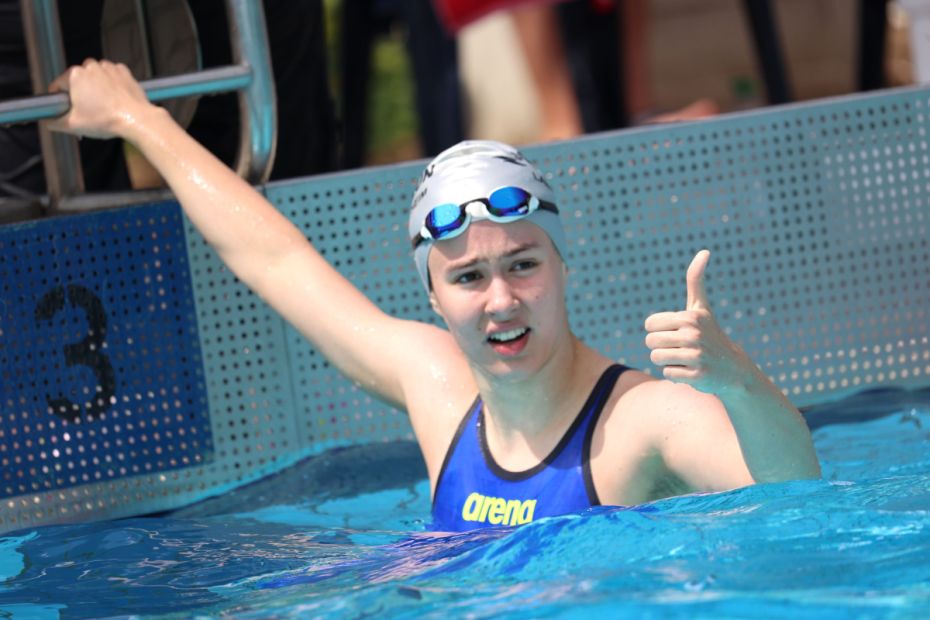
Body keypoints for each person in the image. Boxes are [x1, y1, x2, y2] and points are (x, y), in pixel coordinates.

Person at [47, 59, 821, 531]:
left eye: (523, 265)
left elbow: (797, 498)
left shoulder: (641, 420)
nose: (500, 301)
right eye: (468, 277)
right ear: (434, 297)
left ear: (563, 266)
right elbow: (272, 258)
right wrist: (135, 118)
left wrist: (738, 382)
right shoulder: (435, 385)